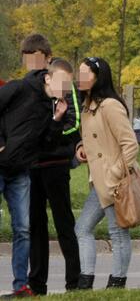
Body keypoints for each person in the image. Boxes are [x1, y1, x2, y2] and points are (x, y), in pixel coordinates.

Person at [0, 34, 68, 298]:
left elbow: (47, 143)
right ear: (48, 77)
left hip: (20, 173)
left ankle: (20, 286)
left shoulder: (51, 106)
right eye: (60, 82)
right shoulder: (19, 88)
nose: (64, 88)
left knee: (23, 229)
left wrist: (57, 120)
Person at [74, 57, 139, 289]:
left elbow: (130, 145)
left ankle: (117, 282)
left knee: (118, 232)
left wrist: (113, 176)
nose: (79, 78)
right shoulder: (88, 105)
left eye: (84, 74)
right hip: (98, 182)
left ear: (97, 77)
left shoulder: (110, 105)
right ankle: (85, 281)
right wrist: (81, 148)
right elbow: (95, 139)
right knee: (82, 228)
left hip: (114, 182)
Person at [28, 58, 82, 295]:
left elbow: (73, 125)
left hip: (57, 165)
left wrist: (54, 127)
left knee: (64, 223)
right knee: (35, 225)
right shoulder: (32, 92)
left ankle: (74, 282)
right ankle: (37, 284)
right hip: (33, 166)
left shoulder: (68, 95)